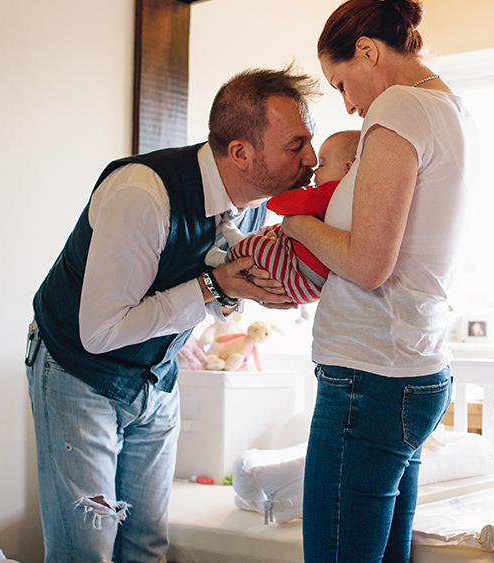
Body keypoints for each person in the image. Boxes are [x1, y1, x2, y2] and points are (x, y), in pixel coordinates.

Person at [26, 67, 319, 563]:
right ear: (241, 153)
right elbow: (100, 331)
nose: (311, 159)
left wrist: (235, 294)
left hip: (157, 379)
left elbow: (208, 298)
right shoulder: (144, 193)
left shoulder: (250, 207)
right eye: (296, 145)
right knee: (87, 553)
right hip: (78, 371)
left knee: (146, 547)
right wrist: (214, 285)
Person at [281, 1, 479, 561]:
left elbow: (369, 264)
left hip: (367, 377)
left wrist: (297, 224)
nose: (348, 104)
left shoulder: (398, 107)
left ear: (368, 50)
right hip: (413, 368)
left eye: (342, 82)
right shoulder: (453, 110)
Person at [215, 129, 360, 305]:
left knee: (259, 246)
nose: (314, 170)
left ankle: (224, 258)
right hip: (310, 285)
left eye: (322, 165)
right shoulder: (357, 199)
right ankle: (240, 242)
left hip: (303, 276)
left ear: (348, 169)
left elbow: (288, 203)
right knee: (273, 231)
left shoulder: (334, 191)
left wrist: (274, 195)